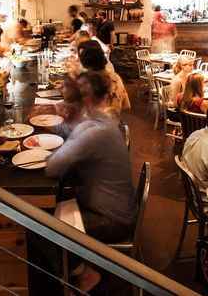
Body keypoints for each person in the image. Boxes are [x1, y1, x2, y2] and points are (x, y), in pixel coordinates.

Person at [45, 71, 135, 291]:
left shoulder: (97, 131)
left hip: (111, 219)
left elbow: (53, 167)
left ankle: (86, 273)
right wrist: (53, 123)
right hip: (115, 206)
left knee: (42, 230)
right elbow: (73, 131)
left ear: (85, 98)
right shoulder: (101, 119)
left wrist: (51, 141)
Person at [77, 40, 130, 115]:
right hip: (113, 123)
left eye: (80, 57)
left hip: (94, 124)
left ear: (84, 62)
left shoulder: (86, 82)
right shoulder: (116, 77)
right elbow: (126, 106)